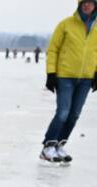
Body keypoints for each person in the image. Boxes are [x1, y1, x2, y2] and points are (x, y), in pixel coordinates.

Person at [41, 0, 97, 163]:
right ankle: (48, 147)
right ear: (79, 5)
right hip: (65, 75)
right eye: (84, 3)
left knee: (74, 115)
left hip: (86, 78)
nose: (87, 5)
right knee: (63, 112)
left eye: (90, 3)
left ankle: (59, 145)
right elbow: (53, 49)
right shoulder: (66, 25)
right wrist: (51, 73)